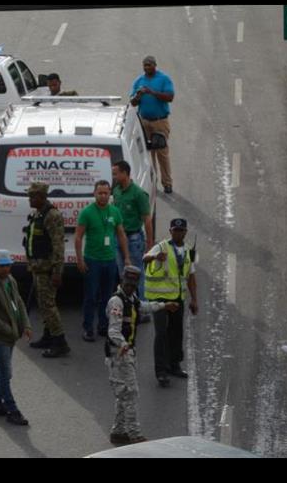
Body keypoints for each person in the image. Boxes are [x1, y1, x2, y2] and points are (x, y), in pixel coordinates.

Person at [106, 266, 180, 445]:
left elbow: (144, 306)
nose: (130, 287)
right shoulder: (117, 302)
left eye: (133, 284)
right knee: (130, 393)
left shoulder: (131, 299)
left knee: (124, 394)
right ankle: (134, 434)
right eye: (128, 283)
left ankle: (118, 431)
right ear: (123, 281)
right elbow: (113, 331)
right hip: (119, 354)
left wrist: (164, 305)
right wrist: (123, 345)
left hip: (127, 352)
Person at [143, 218, 199, 387]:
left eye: (181, 231)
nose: (178, 233)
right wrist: (154, 257)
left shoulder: (188, 251)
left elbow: (191, 277)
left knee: (176, 333)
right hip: (159, 298)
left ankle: (174, 365)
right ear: (170, 231)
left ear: (185, 232)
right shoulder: (162, 246)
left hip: (177, 298)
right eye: (175, 230)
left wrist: (194, 299)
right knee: (161, 333)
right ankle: (160, 371)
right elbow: (145, 258)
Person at [75, 180, 130, 342]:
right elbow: (78, 237)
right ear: (94, 193)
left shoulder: (115, 212)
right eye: (100, 193)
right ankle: (88, 328)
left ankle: (103, 326)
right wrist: (79, 259)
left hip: (110, 260)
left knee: (107, 297)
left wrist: (126, 257)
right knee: (91, 296)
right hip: (93, 260)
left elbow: (121, 235)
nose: (103, 196)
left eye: (106, 193)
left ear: (110, 194)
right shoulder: (87, 212)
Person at [0, 249, 33, 426]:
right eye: (2, 266)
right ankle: (12, 410)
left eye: (8, 265)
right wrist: (9, 330)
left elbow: (18, 302)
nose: (6, 269)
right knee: (6, 373)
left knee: (2, 370)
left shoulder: (9, 280)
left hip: (10, 337)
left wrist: (25, 325)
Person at [23, 182, 70, 357]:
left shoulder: (52, 216)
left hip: (47, 270)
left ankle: (60, 341)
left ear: (42, 197)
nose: (29, 199)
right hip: (38, 268)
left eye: (32, 196)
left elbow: (58, 246)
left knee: (48, 306)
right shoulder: (38, 214)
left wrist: (57, 272)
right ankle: (48, 336)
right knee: (43, 305)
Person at [112, 160, 154, 320]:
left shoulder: (138, 194)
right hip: (118, 238)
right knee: (123, 275)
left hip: (134, 239)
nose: (114, 176)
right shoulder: (116, 191)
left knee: (137, 275)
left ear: (125, 173)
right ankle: (128, 308)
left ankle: (143, 310)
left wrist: (149, 244)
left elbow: (147, 220)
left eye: (116, 173)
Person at [129, 55, 175, 194]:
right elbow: (132, 102)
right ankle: (152, 181)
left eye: (149, 65)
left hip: (160, 121)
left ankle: (167, 183)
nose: (146, 68)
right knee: (147, 154)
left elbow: (170, 97)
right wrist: (138, 96)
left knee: (162, 152)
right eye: (144, 65)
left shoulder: (164, 79)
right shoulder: (139, 81)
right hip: (144, 121)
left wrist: (151, 92)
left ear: (155, 65)